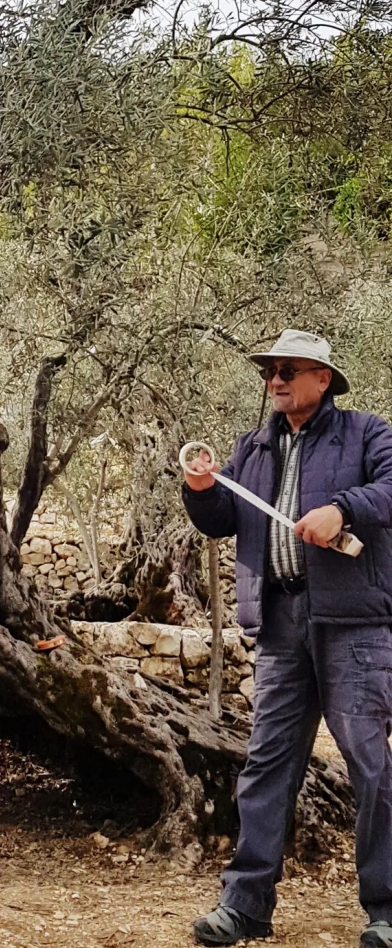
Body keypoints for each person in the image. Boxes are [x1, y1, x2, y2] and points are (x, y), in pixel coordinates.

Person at [182, 330, 392, 948]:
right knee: (267, 765)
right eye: (271, 370)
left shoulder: (368, 434)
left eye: (288, 370)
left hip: (353, 624)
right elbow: (222, 520)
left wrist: (344, 509)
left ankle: (386, 911)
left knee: (368, 763)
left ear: (322, 378)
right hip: (279, 626)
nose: (276, 380)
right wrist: (199, 490)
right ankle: (245, 906)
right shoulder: (253, 446)